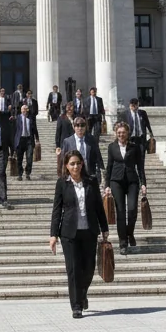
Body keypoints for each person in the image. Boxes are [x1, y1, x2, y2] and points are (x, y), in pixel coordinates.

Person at [49, 150, 110, 318]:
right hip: (69, 233)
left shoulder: (91, 181)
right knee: (73, 270)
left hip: (89, 230)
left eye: (78, 163)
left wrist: (104, 228)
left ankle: (82, 294)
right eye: (72, 164)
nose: (75, 166)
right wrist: (53, 235)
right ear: (66, 166)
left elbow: (99, 206)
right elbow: (57, 210)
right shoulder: (62, 183)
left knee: (89, 268)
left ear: (82, 163)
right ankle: (76, 305)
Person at [105, 121, 146, 254]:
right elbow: (109, 167)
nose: (121, 135)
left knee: (132, 209)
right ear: (116, 134)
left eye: (123, 132)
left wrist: (143, 183)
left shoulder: (135, 147)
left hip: (132, 181)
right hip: (116, 181)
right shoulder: (112, 147)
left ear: (128, 133)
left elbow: (140, 167)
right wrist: (106, 185)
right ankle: (123, 242)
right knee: (121, 212)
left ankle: (129, 233)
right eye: (119, 133)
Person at [60, 117, 104, 182]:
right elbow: (63, 160)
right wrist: (63, 176)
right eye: (77, 125)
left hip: (89, 175)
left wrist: (101, 173)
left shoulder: (92, 140)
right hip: (73, 176)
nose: (80, 128)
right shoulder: (67, 142)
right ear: (73, 127)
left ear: (85, 127)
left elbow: (98, 157)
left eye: (82, 125)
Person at [13, 102, 39, 180]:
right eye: (23, 109)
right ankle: (20, 174)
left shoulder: (31, 118)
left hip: (29, 140)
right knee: (19, 159)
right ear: (21, 110)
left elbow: (35, 129)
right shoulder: (17, 118)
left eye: (26, 109)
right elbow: (14, 130)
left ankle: (28, 173)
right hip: (20, 140)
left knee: (29, 158)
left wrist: (37, 139)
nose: (25, 111)